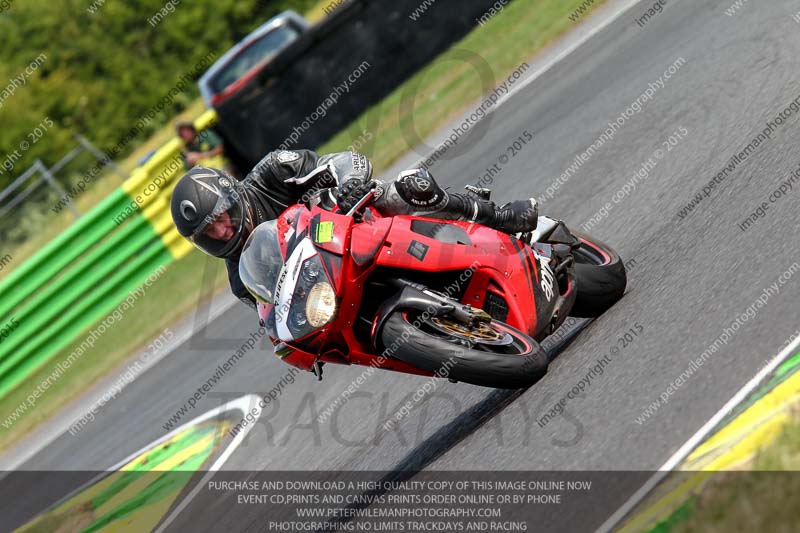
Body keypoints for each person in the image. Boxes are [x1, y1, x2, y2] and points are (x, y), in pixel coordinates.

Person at [170, 149, 537, 308]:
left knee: (408, 188)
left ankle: (497, 216)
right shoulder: (240, 279)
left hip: (357, 221)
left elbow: (348, 161)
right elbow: (274, 316)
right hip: (334, 281)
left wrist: (348, 185)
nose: (222, 232)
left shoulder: (273, 170)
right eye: (209, 234)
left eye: (222, 218)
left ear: (233, 196)